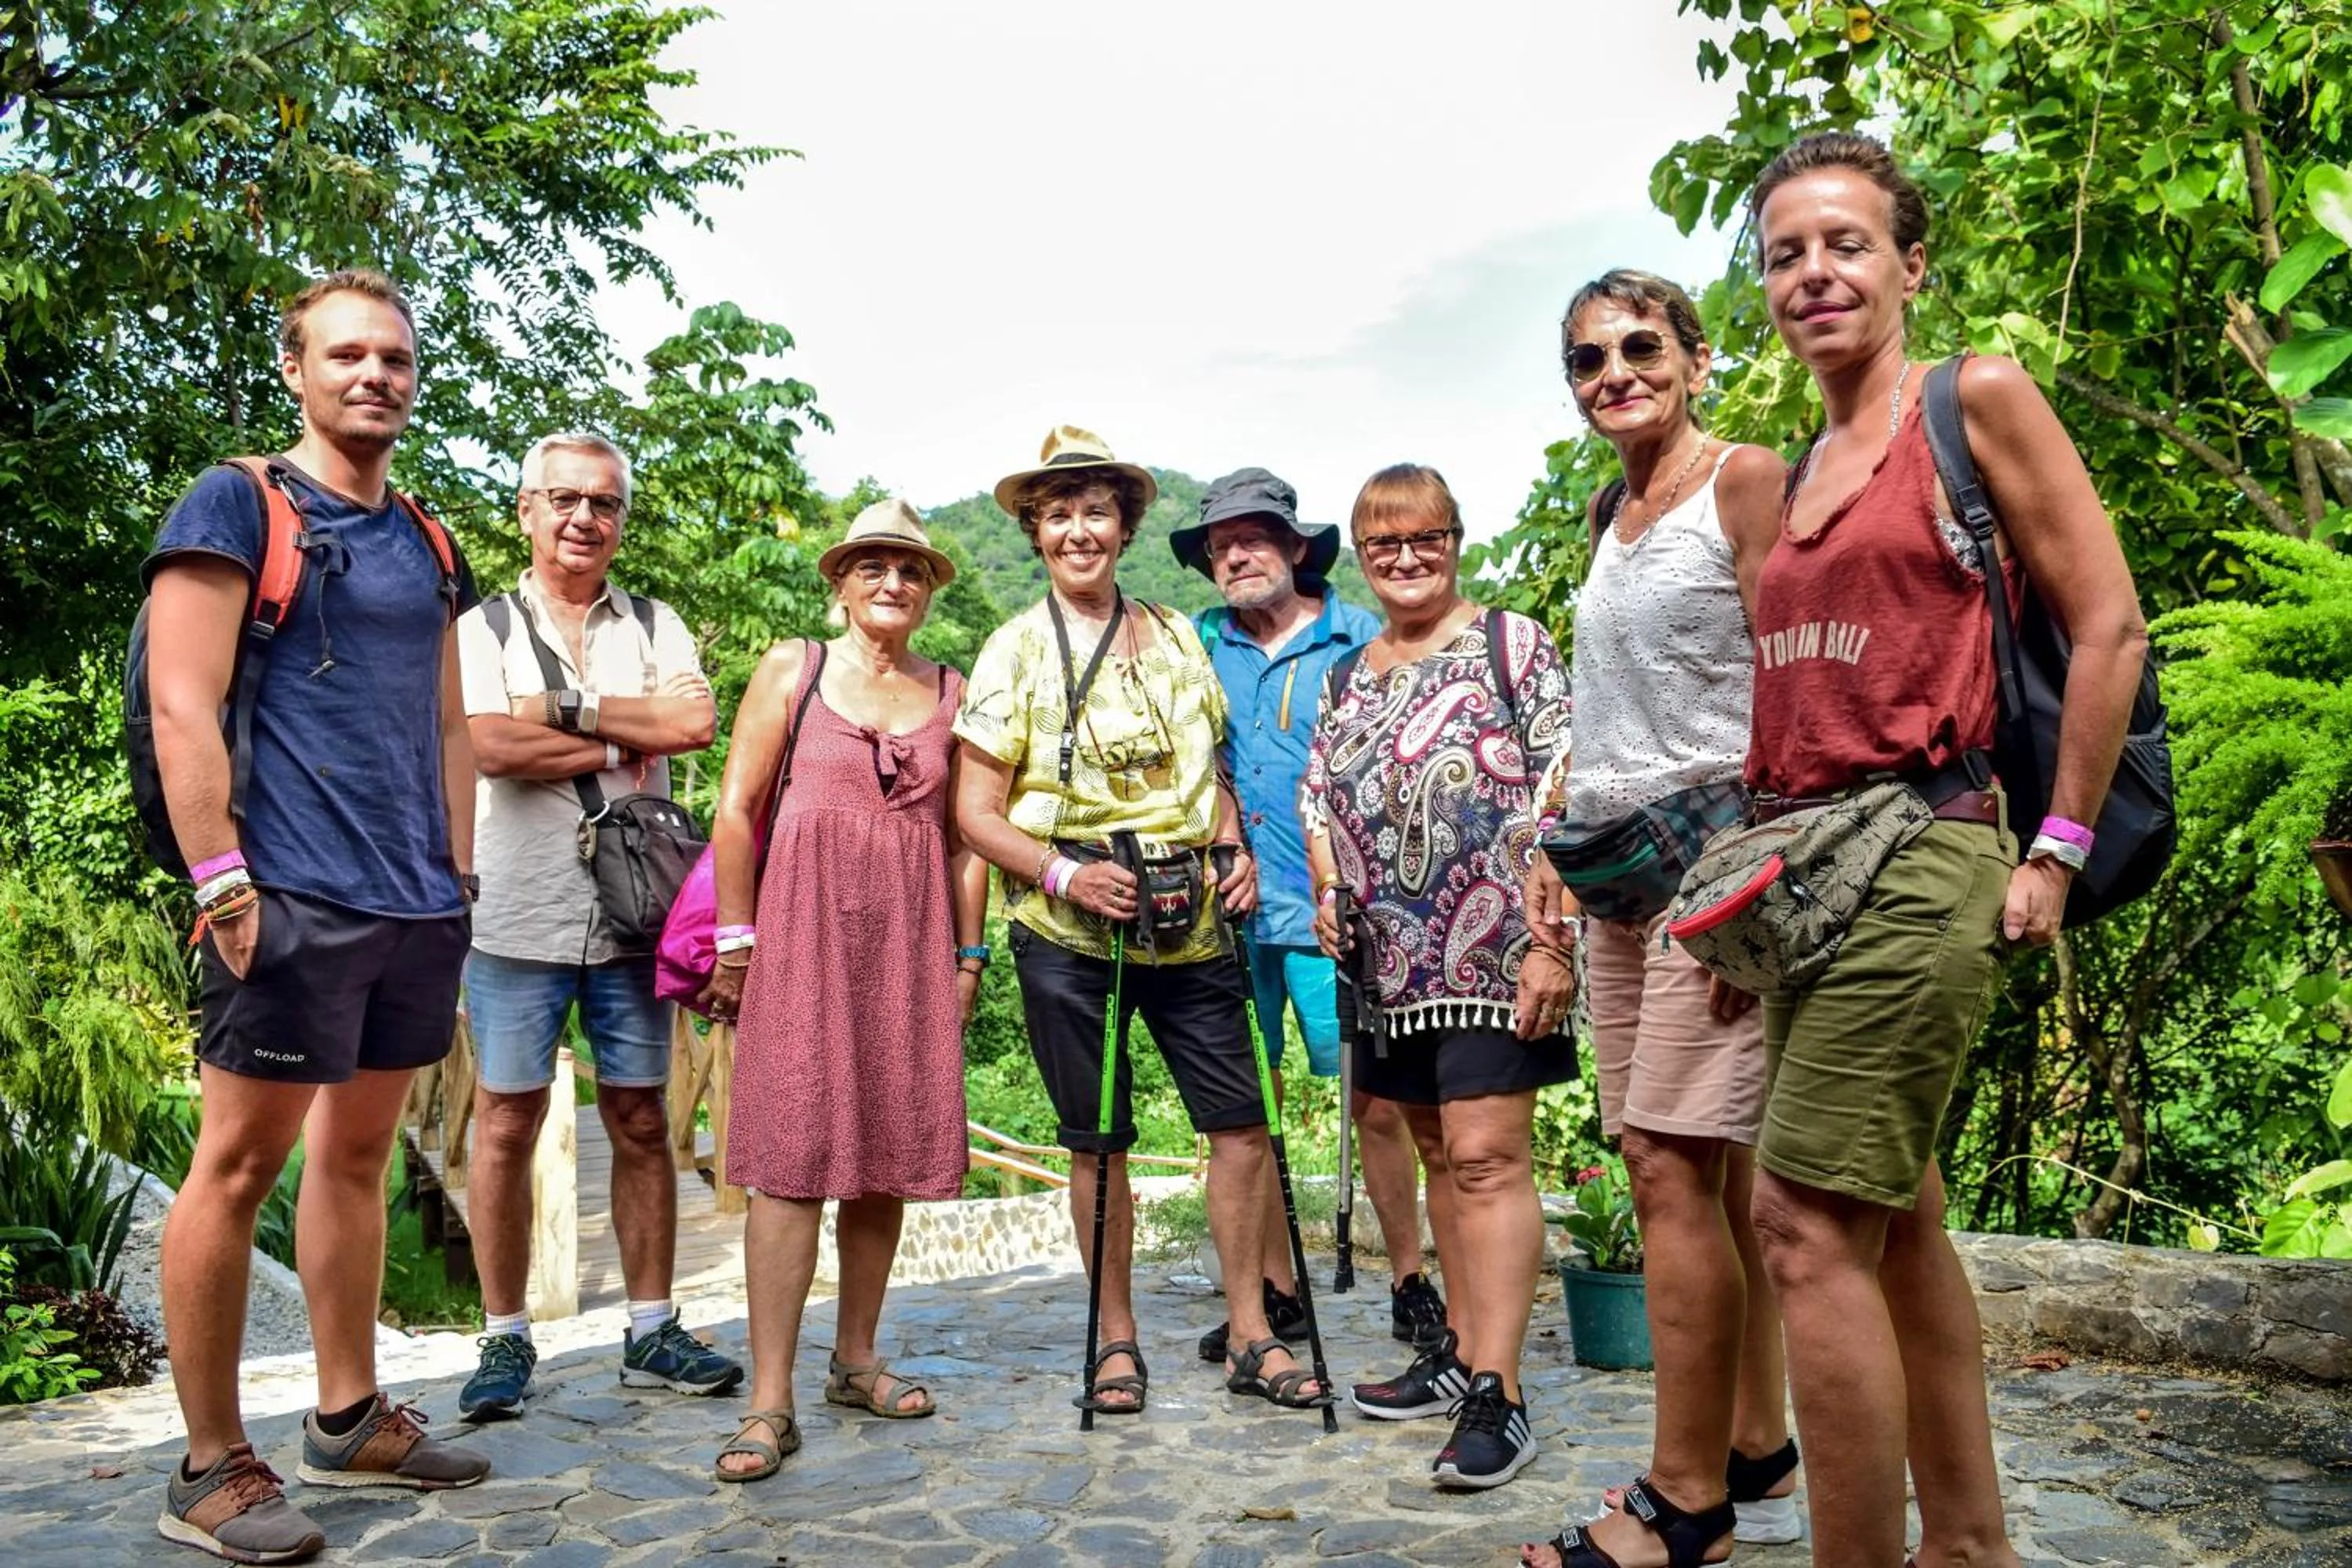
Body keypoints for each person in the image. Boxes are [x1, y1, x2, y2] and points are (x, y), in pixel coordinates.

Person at [1739, 132, 2146, 1568]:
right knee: (1892, 1221)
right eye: (1787, 253)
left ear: (1910, 263)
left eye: (1846, 243)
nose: (1815, 274)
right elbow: (1788, 721)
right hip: (1807, 876)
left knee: (1798, 1224)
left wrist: (2060, 848)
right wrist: (1741, 920)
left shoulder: (1970, 400)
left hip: (1932, 845)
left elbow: (2108, 625)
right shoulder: (1791, 476)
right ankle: (1968, 1547)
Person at [147, 269, 490, 1564]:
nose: (374, 376)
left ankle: (348, 1421)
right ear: (295, 367)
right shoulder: (239, 504)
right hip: (284, 893)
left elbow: (449, 722)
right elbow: (186, 701)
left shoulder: (428, 537)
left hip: (410, 900)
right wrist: (219, 875)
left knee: (357, 1160)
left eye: (394, 358)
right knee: (235, 1168)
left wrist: (454, 879)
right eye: (346, 354)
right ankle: (208, 1464)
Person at [954, 425, 1328, 1417]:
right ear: (1037, 532)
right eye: (1059, 514)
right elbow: (975, 811)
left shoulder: (1172, 633)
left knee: (1241, 1125)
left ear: (1125, 524)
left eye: (1097, 511)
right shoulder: (1014, 649)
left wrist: (1236, 850)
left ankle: (1253, 1330)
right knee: (1099, 1137)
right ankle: (1115, 1337)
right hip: (1070, 930)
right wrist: (1066, 874)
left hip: (1192, 918)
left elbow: (1208, 780)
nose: (1080, 530)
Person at [1522, 274, 1795, 1567]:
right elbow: (1606, 706)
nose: (1615, 372)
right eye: (1589, 359)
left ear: (1696, 358)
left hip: (1718, 866)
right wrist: (1550, 829)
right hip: (1617, 876)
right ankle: (1756, 1438)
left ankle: (1686, 1502)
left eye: (1642, 348)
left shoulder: (1745, 482)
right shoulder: (1609, 508)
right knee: (1677, 1160)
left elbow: (1803, 684)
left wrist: (1763, 896)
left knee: (1676, 1170)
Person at [452, 431, 740, 1420]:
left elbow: (694, 725)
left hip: (634, 916)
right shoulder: (479, 628)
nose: (585, 518)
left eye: (604, 503)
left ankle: (651, 1326)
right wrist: (627, 727)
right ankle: (502, 1338)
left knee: (644, 1116)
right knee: (503, 1124)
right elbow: (487, 743)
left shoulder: (656, 623)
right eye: (565, 499)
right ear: (526, 510)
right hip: (516, 911)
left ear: (621, 518)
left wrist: (562, 708)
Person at [701, 499, 990, 1482]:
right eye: (872, 565)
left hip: (910, 944)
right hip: (801, 934)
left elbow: (964, 842)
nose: (891, 582)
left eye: (909, 569)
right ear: (841, 579)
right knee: (788, 1154)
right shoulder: (797, 668)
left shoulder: (954, 689)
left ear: (929, 587)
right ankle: (768, 1397)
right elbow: (737, 808)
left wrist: (968, 958)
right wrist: (736, 944)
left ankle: (856, 1357)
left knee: (887, 1147)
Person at [1307, 463, 1574, 1490]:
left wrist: (1556, 942)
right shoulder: (1347, 673)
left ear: (1456, 539)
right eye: (1384, 546)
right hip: (1385, 964)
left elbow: (1566, 784)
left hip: (1501, 951)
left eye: (1425, 539)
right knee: (1430, 1146)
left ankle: (1500, 1396)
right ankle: (1459, 1352)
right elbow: (1318, 799)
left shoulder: (1514, 644)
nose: (1406, 559)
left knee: (1484, 1156)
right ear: (1365, 561)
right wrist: (1331, 890)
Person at [1171, 466, 1446, 1361]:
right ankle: (1276, 1294)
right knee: (1247, 1115)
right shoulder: (1199, 644)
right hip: (1229, 914)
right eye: (1221, 546)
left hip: (1340, 913)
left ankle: (1410, 1280)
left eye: (1254, 539)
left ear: (1297, 546)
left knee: (1377, 1104)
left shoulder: (1357, 637)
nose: (1237, 556)